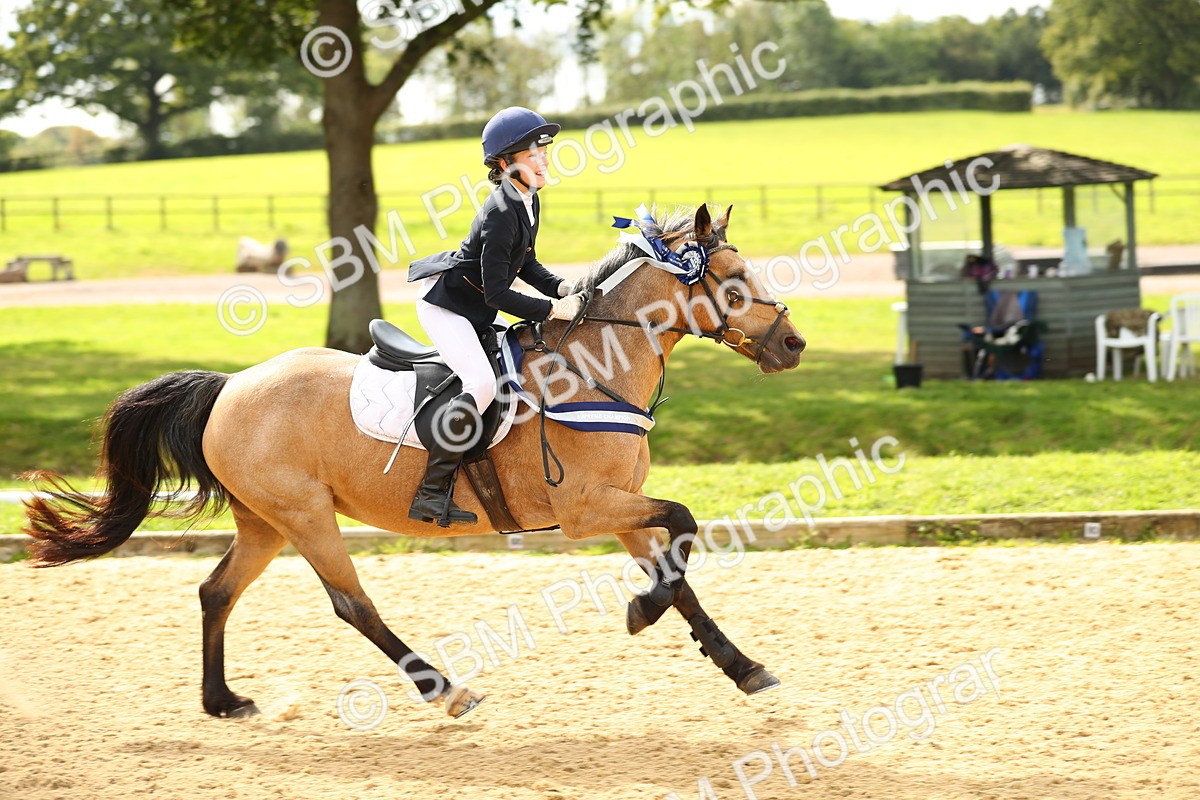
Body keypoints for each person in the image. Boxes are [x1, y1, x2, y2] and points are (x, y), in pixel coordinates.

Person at [406, 106, 587, 526]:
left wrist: (562, 288)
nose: (544, 159)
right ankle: (431, 494)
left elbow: (526, 264)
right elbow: (497, 291)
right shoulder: (501, 211)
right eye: (533, 152)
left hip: (477, 309)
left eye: (545, 150)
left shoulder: (529, 200)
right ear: (505, 164)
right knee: (483, 383)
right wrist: (550, 309)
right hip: (449, 309)